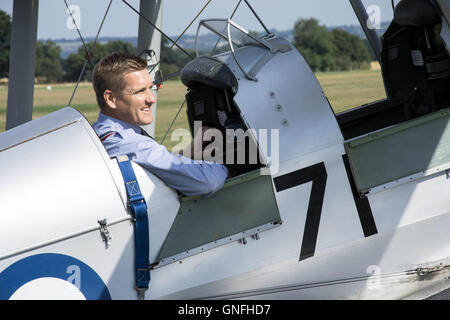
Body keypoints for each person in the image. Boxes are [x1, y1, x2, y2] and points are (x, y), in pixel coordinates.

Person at [92, 52, 228, 196]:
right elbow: (206, 182)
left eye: (150, 88)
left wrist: (191, 151)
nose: (152, 99)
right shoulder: (122, 140)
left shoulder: (103, 132)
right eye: (140, 91)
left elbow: (157, 165)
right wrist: (226, 167)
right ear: (111, 98)